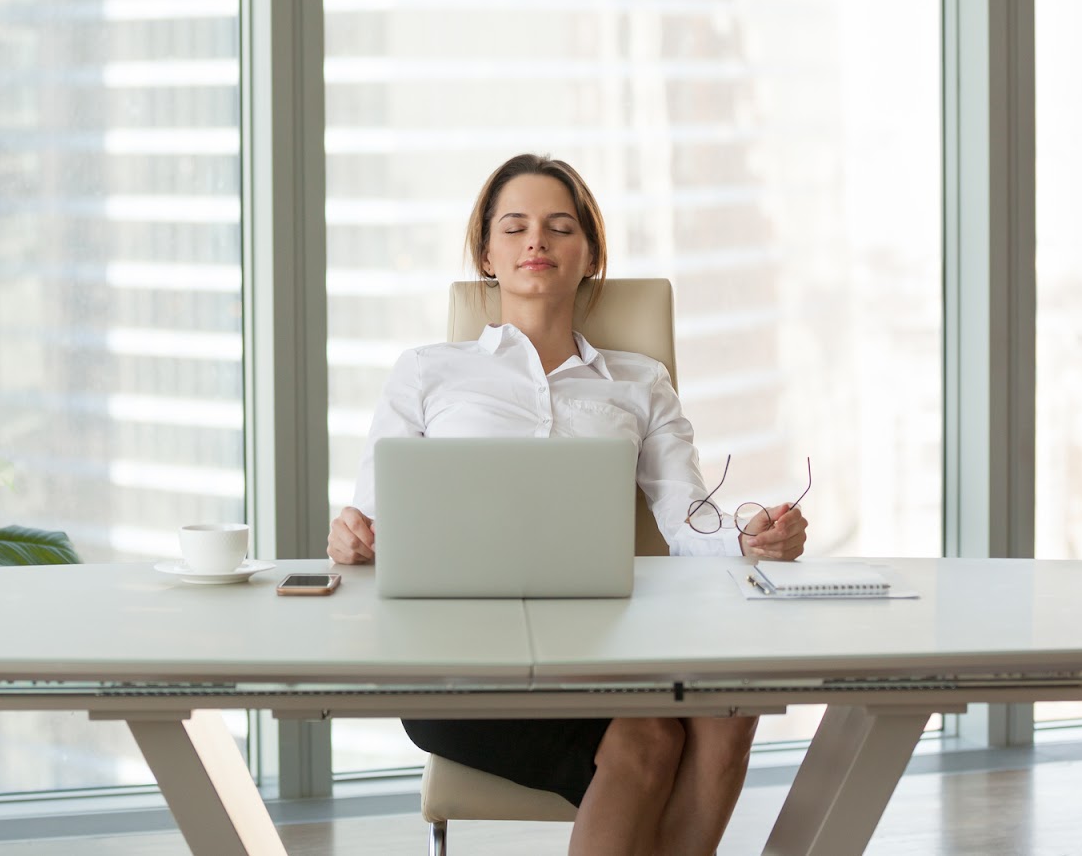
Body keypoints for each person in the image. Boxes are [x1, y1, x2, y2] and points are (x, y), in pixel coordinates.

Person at [327, 153, 809, 856]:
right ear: (486, 253)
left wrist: (750, 537)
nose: (536, 243)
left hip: (604, 651)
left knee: (730, 714)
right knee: (648, 736)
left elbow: (688, 519)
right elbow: (371, 523)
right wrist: (354, 540)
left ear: (590, 254)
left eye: (559, 228)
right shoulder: (428, 371)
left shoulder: (640, 382)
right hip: (457, 658)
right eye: (515, 227)